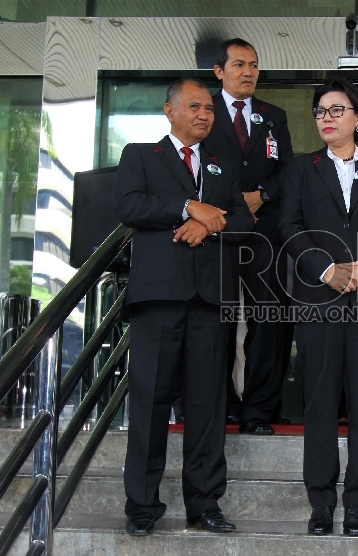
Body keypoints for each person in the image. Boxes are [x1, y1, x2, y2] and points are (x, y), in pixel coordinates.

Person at [115, 77, 254, 536]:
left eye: (209, 109)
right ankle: (141, 505)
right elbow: (131, 206)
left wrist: (208, 225)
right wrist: (188, 208)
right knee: (150, 401)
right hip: (158, 298)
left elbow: (244, 219)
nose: (203, 115)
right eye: (193, 106)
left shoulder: (222, 164)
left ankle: (205, 503)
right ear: (169, 110)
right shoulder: (140, 155)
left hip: (210, 300)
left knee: (207, 405)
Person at [280, 77, 358, 537]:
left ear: (357, 117)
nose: (328, 119)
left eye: (337, 110)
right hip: (318, 298)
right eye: (321, 112)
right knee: (319, 400)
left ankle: (357, 502)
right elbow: (289, 226)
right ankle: (320, 502)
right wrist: (326, 270)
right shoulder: (300, 168)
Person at [202, 38, 295, 435]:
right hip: (217, 230)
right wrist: (230, 203)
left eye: (254, 65)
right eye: (239, 64)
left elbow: (288, 171)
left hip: (266, 232)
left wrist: (262, 196)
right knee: (216, 321)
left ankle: (259, 409)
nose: (248, 72)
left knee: (268, 322)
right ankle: (217, 404)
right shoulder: (202, 111)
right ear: (219, 71)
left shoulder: (274, 116)